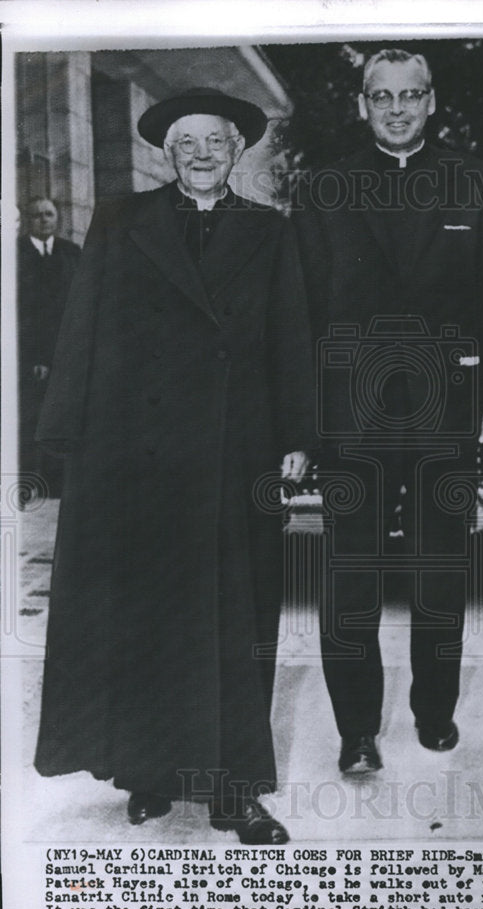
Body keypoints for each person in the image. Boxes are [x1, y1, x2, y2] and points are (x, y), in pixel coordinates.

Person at [34, 88, 313, 843]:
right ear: (165, 152)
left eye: (214, 142)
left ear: (237, 150)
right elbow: (83, 321)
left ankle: (236, 790)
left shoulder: (269, 230)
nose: (199, 154)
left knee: (237, 621)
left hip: (237, 451)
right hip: (136, 451)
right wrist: (65, 434)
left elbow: (290, 336)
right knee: (148, 618)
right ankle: (151, 772)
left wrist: (296, 435)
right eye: (184, 142)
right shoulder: (123, 221)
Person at [294, 49, 483, 775]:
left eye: (410, 95)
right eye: (381, 96)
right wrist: (300, 423)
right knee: (350, 575)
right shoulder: (322, 186)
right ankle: (357, 729)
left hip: (444, 408)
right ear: (362, 105)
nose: (396, 108)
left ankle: (434, 713)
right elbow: (298, 310)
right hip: (349, 413)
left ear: (431, 102)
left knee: (439, 569)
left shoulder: (476, 182)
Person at [17, 197, 81, 499]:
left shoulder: (72, 253)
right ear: (27, 220)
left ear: (58, 218)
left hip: (66, 354)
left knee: (61, 417)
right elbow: (22, 313)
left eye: (49, 214)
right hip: (28, 356)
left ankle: (57, 482)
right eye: (36, 215)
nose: (43, 220)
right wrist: (36, 357)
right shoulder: (15, 254)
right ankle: (26, 481)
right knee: (29, 417)